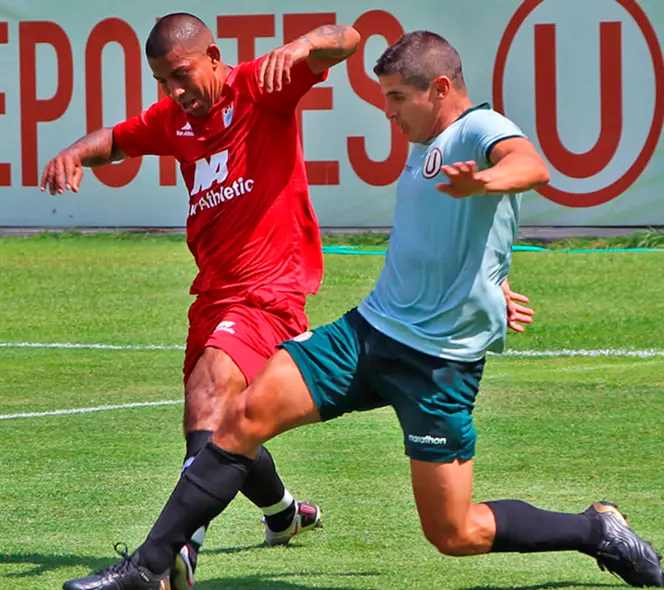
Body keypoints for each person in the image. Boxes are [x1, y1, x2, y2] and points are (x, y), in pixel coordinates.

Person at [61, 30, 664, 590]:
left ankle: (595, 531)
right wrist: (491, 283)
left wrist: (488, 183)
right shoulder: (425, 144)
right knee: (242, 416)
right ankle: (148, 567)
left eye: (398, 97)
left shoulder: (480, 130)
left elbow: (531, 165)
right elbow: (447, 240)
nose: (388, 111)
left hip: (437, 368)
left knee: (453, 532)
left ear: (442, 90)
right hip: (368, 333)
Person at [39, 12, 362, 589]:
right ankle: (285, 515)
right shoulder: (174, 119)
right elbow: (116, 140)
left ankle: (169, 555)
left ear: (214, 56)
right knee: (230, 426)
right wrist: (74, 152)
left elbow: (351, 39)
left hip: (269, 289)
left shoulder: (261, 85)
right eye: (164, 81)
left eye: (183, 75)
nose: (176, 91)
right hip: (212, 294)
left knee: (208, 398)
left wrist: (306, 43)